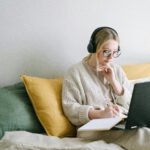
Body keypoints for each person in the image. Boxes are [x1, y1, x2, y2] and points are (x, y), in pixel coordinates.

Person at [62, 27, 150, 150]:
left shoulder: (117, 70)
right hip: (92, 129)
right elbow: (70, 108)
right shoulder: (75, 72)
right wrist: (100, 114)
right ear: (93, 48)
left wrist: (114, 83)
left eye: (115, 52)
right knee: (144, 135)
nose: (111, 58)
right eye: (106, 52)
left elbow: (131, 105)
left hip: (119, 124)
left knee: (144, 131)